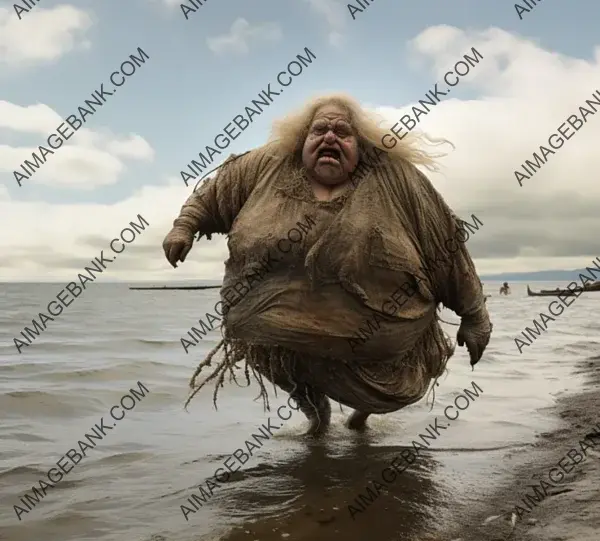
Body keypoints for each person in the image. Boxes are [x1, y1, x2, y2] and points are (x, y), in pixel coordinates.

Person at [162, 93, 492, 435]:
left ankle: (362, 412)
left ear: (360, 146)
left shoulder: (396, 179)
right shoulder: (268, 165)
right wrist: (184, 226)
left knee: (395, 388)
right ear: (302, 140)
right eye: (319, 130)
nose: (330, 137)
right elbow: (214, 193)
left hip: (378, 336)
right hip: (277, 332)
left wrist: (474, 315)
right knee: (282, 364)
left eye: (342, 132)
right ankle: (316, 414)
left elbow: (446, 243)